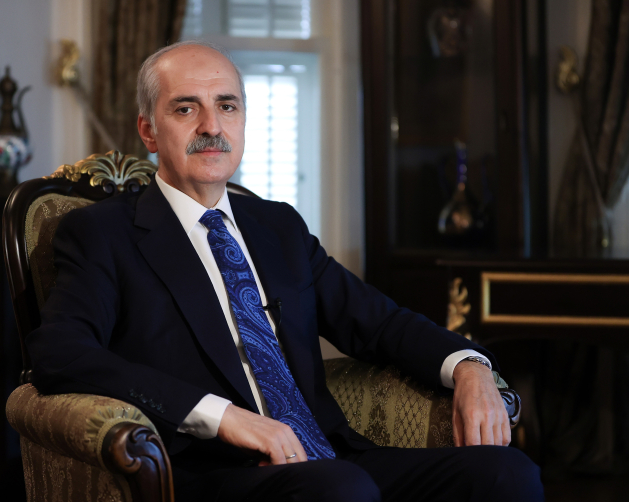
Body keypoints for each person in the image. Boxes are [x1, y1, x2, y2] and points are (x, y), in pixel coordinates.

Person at [27, 40, 543, 501]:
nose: (211, 126)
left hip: (329, 456)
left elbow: (379, 323)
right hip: (215, 471)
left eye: (227, 106)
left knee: (506, 473)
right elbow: (61, 354)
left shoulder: (278, 226)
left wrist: (470, 366)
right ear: (149, 130)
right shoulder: (104, 233)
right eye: (186, 108)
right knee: (341, 488)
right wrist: (221, 416)